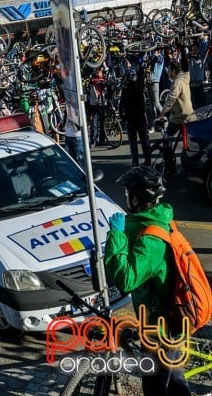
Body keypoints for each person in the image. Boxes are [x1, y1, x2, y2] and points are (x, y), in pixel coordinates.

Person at [104, 166, 189, 395]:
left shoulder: (151, 240)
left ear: (135, 198)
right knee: (170, 381)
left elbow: (126, 278)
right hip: (156, 320)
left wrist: (116, 236)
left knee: (161, 387)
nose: (125, 199)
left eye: (126, 195)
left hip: (161, 328)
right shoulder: (149, 221)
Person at [158, 61, 196, 176]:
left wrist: (162, 114)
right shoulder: (184, 78)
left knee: (166, 140)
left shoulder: (177, 83)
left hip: (179, 117)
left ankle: (171, 168)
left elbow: (171, 99)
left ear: (174, 71)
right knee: (188, 143)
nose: (168, 72)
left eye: (169, 70)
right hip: (189, 114)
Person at [120, 73, 151, 166]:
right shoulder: (140, 89)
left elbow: (121, 105)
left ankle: (135, 162)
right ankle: (148, 160)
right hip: (140, 116)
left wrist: (123, 116)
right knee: (144, 139)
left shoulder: (125, 90)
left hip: (130, 117)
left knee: (133, 142)